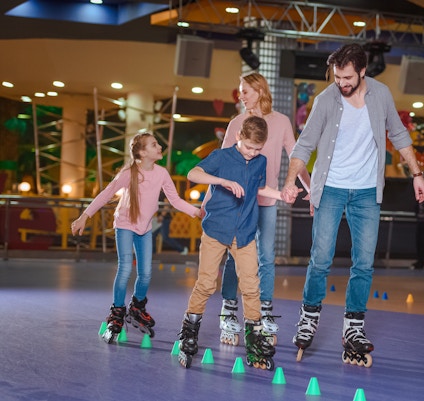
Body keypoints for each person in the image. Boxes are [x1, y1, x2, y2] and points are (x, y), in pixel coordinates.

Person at [280, 43, 424, 367]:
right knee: (320, 259)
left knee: (364, 263)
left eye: (347, 77)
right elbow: (304, 145)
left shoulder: (381, 95)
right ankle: (308, 318)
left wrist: (417, 174)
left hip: (366, 193)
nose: (341, 83)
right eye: (337, 77)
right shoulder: (325, 100)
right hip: (330, 189)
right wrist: (290, 181)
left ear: (363, 72)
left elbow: (399, 135)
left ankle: (354, 328)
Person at [176, 116, 298, 370]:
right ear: (238, 137)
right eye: (249, 147)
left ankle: (254, 340)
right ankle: (189, 332)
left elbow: (258, 188)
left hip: (244, 233)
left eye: (258, 149)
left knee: (252, 286)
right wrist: (222, 181)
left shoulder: (260, 161)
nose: (253, 153)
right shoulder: (222, 157)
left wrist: (281, 194)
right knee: (206, 283)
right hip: (216, 230)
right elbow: (192, 173)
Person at [70, 131, 201, 344]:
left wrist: (196, 212)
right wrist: (85, 216)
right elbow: (106, 193)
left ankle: (137, 307)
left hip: (145, 228)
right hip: (124, 225)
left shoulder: (161, 173)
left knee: (146, 273)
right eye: (153, 144)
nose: (159, 147)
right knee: (125, 269)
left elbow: (175, 200)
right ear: (142, 152)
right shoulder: (129, 173)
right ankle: (117, 312)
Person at [216, 72, 311, 347]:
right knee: (236, 255)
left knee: (267, 256)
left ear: (259, 90)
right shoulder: (236, 122)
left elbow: (297, 157)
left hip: (268, 200)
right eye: (240, 91)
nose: (241, 96)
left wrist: (311, 187)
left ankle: (265, 309)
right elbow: (223, 163)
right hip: (239, 202)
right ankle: (229, 309)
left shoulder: (280, 122)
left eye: (245, 90)